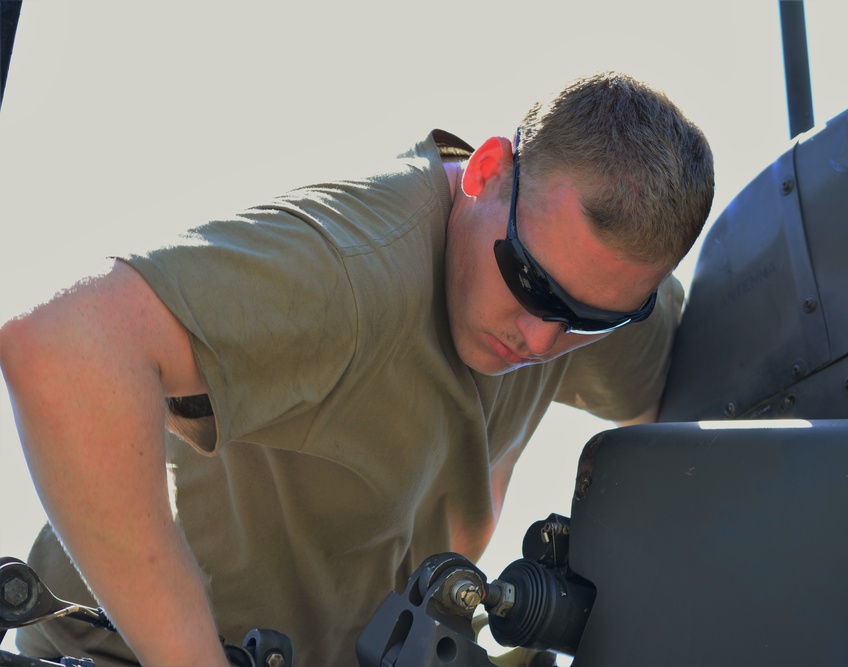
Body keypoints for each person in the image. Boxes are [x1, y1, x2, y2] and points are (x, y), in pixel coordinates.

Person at [0, 71, 714, 665]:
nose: (539, 335)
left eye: (588, 320)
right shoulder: (356, 268)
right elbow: (63, 348)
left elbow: (711, 424)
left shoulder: (603, 283)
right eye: (528, 282)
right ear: (488, 172)